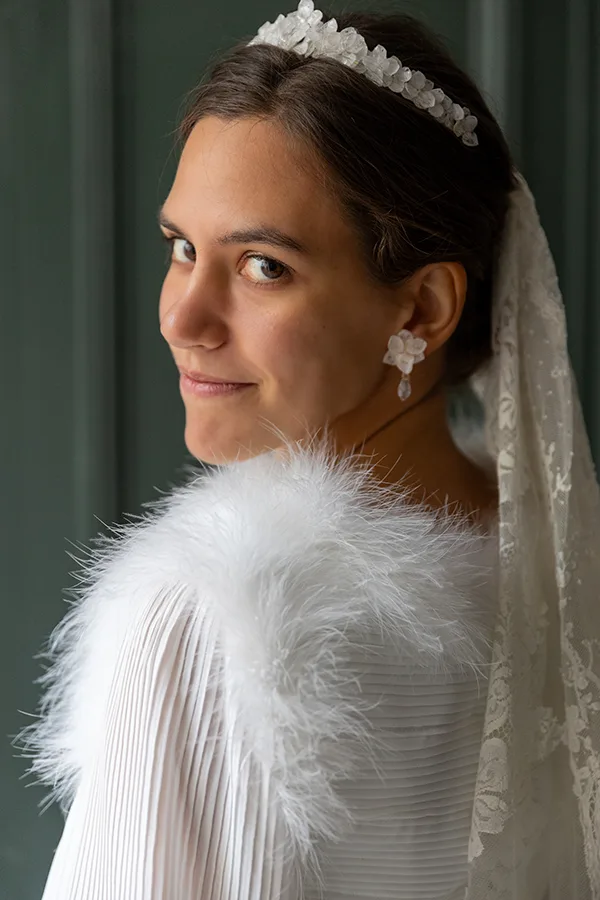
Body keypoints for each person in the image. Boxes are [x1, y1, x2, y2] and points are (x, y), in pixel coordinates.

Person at [16, 3, 600, 898]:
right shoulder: (561, 569)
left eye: (263, 266)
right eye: (182, 247)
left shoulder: (215, 619)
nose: (181, 317)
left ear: (422, 310)